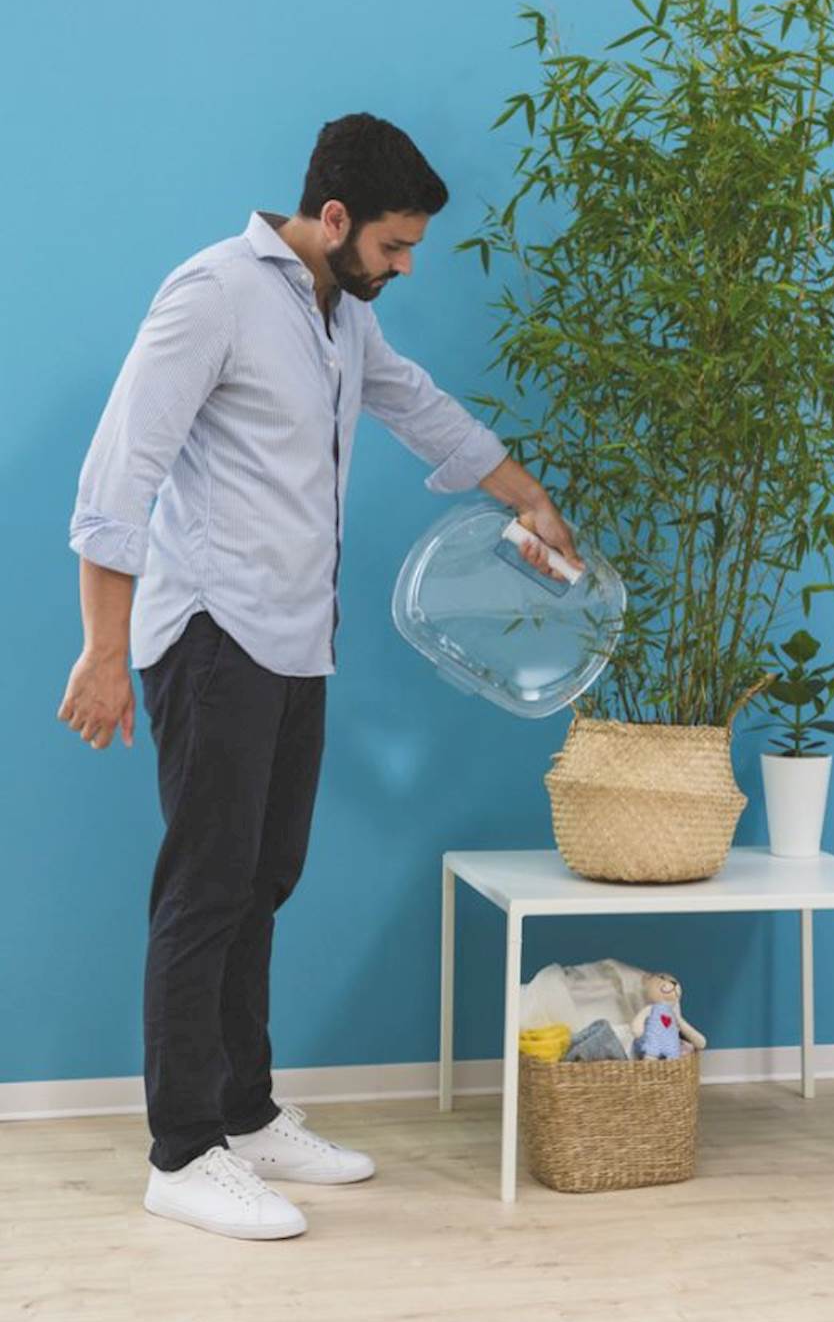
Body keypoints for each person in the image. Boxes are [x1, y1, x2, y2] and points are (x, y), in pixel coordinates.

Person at [57, 113, 583, 1241]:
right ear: (332, 218)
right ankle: (181, 1152)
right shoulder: (214, 293)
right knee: (206, 889)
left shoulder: (341, 313)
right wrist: (104, 648)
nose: (403, 267)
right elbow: (118, 473)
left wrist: (528, 499)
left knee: (263, 881)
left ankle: (243, 1115)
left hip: (298, 637)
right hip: (213, 633)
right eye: (393, 245)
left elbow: (418, 406)